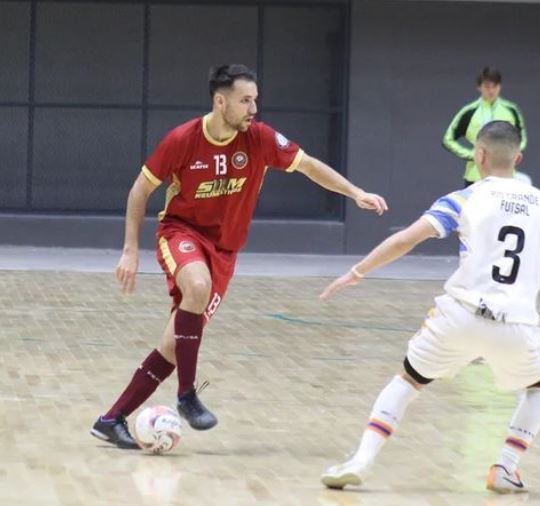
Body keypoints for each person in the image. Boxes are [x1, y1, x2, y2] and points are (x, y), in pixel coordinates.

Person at [90, 64, 388, 449]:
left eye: (255, 101)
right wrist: (130, 250)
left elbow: (310, 166)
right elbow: (138, 191)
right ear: (220, 101)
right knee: (197, 286)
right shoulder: (183, 140)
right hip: (181, 233)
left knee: (173, 345)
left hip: (225, 252)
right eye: (245, 101)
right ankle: (186, 397)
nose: (253, 109)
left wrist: (355, 192)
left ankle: (110, 419)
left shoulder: (260, 139)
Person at [319, 121, 540, 493]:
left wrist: (357, 272)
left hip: (459, 316)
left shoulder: (464, 198)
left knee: (408, 380)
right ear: (518, 158)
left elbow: (406, 238)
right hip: (516, 325)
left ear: (479, 156)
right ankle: (505, 466)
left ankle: (362, 458)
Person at [443, 67, 530, 187]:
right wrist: (471, 155)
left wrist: (509, 154)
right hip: (475, 176)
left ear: (500, 87)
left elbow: (522, 140)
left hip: (505, 176)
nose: (491, 91)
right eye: (487, 87)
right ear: (479, 87)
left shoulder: (511, 110)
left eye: (495, 86)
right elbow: (448, 139)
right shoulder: (469, 112)